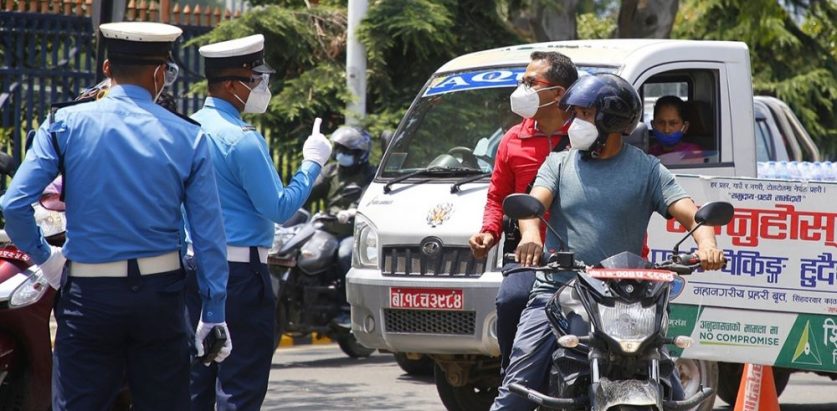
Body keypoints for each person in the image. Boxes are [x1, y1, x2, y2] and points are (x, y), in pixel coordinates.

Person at [0, 22, 231, 410]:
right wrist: (215, 310)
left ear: (107, 69)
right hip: (160, 296)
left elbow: (14, 205)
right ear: (160, 73)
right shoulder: (188, 135)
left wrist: (48, 259)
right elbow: (208, 235)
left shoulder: (64, 124)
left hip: (89, 295)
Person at [490, 73, 726, 410]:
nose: (574, 122)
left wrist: (707, 244)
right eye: (574, 114)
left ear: (610, 119)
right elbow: (533, 206)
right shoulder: (558, 163)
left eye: (584, 114)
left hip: (629, 300)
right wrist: (530, 235)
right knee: (517, 390)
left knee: (671, 391)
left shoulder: (648, 170)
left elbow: (692, 214)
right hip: (559, 291)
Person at [184, 34, 332, 411]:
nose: (262, 87)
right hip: (238, 274)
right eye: (255, 80)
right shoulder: (242, 140)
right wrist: (312, 163)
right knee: (240, 385)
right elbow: (279, 207)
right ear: (233, 85)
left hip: (188, 269)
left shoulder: (184, 128)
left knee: (193, 383)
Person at [467, 51, 578, 374]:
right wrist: (488, 233)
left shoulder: (586, 137)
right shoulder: (512, 139)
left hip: (580, 254)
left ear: (558, 93)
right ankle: (512, 377)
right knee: (511, 301)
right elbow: (497, 197)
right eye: (522, 81)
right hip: (528, 256)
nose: (522, 89)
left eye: (531, 82)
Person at [306, 126, 376, 275]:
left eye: (348, 151)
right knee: (303, 252)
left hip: (354, 232)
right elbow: (309, 192)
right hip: (328, 228)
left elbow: (365, 200)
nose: (342, 154)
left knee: (345, 254)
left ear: (360, 154)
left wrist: (351, 211)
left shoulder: (370, 174)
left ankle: (349, 298)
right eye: (339, 149)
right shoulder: (330, 171)